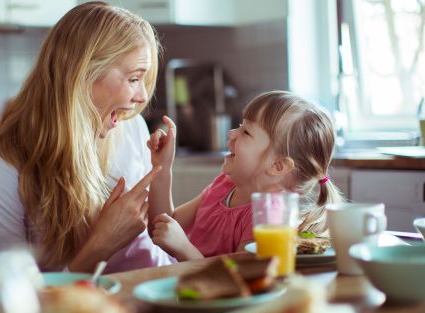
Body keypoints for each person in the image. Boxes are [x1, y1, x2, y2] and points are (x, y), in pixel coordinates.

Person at [0, 1, 175, 273]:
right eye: (132, 79)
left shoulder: (131, 129)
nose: (141, 97)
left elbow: (156, 235)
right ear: (83, 73)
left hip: (157, 293)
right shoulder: (1, 171)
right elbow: (16, 300)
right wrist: (101, 244)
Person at [147, 90, 345, 261]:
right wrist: (162, 166)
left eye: (246, 132)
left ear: (278, 165)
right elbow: (162, 226)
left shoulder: (270, 216)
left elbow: (242, 281)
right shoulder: (223, 186)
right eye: (240, 126)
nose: (232, 133)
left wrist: (184, 249)